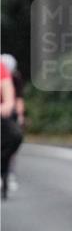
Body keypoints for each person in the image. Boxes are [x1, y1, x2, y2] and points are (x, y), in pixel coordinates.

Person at [1, 54, 25, 192]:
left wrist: (19, 115)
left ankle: (8, 170)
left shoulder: (13, 76)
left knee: (15, 136)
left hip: (4, 112)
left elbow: (16, 99)